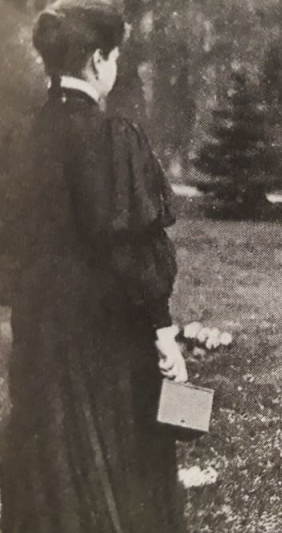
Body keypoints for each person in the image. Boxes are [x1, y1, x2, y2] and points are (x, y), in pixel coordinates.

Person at [0, 1, 188, 531]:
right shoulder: (112, 139)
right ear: (100, 60)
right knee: (120, 471)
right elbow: (130, 249)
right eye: (116, 57)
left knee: (50, 472)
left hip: (39, 339)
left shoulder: (18, 140)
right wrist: (163, 332)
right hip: (107, 342)